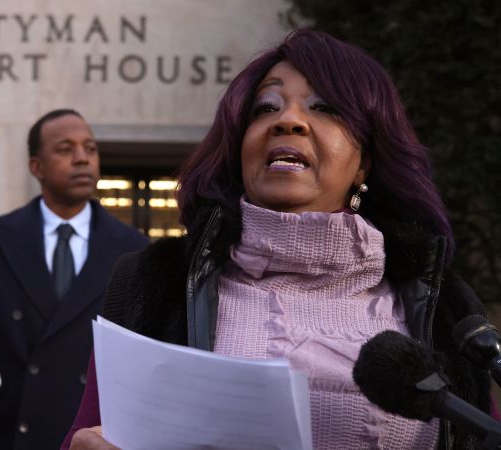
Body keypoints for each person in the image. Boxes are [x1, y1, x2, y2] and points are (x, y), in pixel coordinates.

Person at [63, 29, 491, 450]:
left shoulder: (445, 306)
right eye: (265, 108)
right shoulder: (154, 284)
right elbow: (88, 434)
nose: (288, 120)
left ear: (363, 163)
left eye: (324, 107)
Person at [0, 109, 149, 450]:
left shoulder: (135, 250)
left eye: (90, 148)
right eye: (65, 149)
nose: (82, 158)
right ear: (36, 167)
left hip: (90, 439)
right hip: (4, 437)